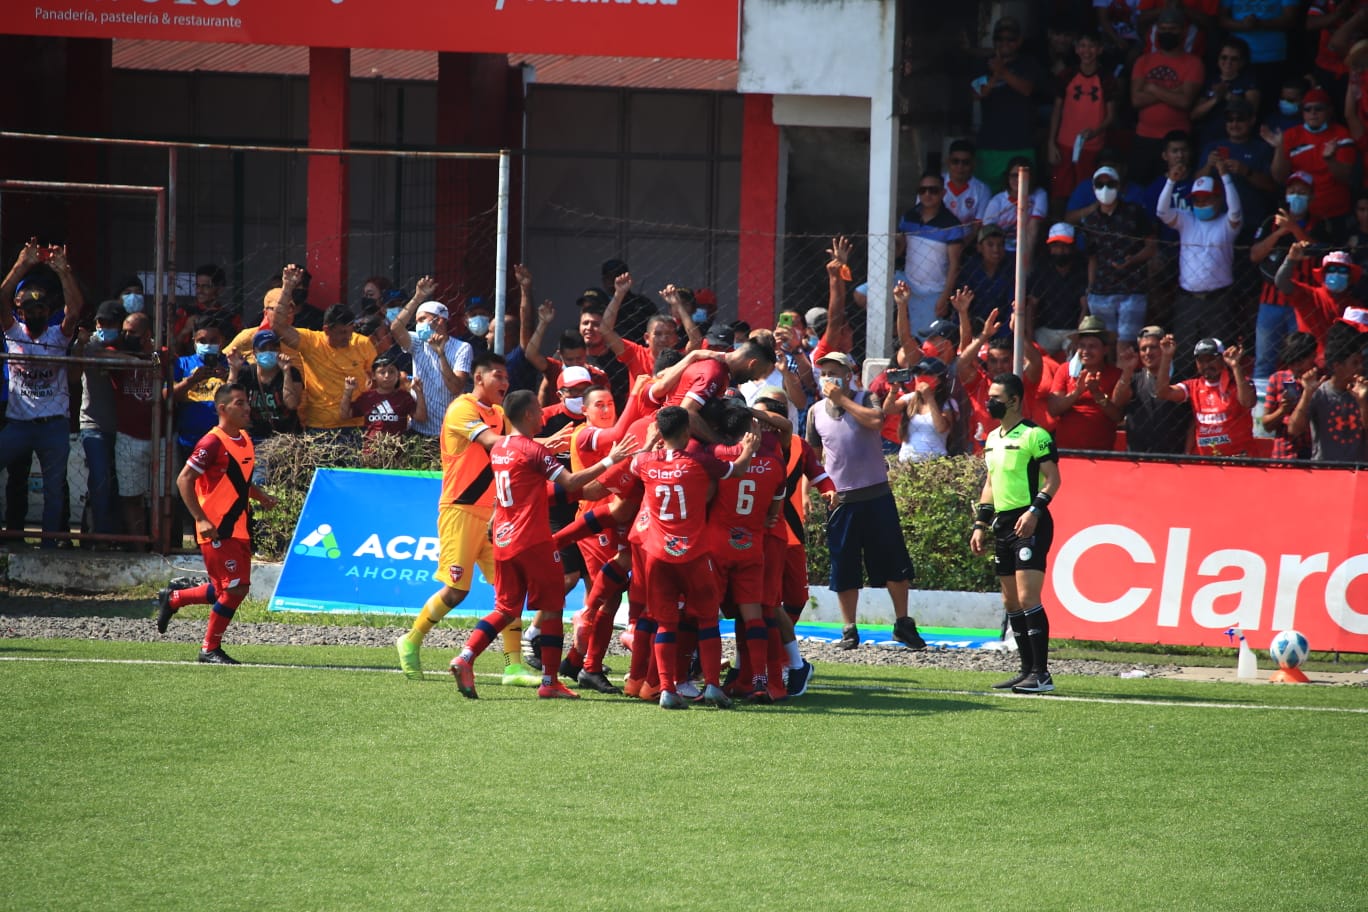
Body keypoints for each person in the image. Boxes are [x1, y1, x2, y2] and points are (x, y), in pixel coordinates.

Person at [449, 389, 637, 700]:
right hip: (533, 540)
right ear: (527, 415)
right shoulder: (532, 451)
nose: (543, 415)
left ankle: (465, 657)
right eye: (538, 411)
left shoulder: (500, 448)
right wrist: (611, 460)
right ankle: (550, 681)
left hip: (505, 540)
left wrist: (496, 518)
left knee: (506, 608)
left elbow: (506, 491)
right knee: (552, 608)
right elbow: (573, 483)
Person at [395, 352, 551, 686]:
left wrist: (549, 442)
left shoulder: (499, 413)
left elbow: (520, 444)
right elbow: (496, 444)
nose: (505, 383)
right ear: (478, 378)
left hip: (495, 514)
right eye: (498, 376)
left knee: (508, 595)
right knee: (456, 591)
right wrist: (539, 447)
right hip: (460, 511)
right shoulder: (462, 409)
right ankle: (411, 639)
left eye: (507, 378)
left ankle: (512, 667)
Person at [630, 405, 758, 709]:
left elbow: (634, 463)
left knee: (665, 623)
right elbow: (737, 469)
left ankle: (665, 689)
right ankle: (713, 685)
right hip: (694, 554)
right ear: (688, 432)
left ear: (660, 432)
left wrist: (649, 442)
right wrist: (749, 449)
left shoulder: (647, 462)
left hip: (658, 554)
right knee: (706, 619)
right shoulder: (700, 461)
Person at [805, 351, 926, 651]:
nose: (828, 378)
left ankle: (902, 623)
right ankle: (849, 628)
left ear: (849, 374)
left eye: (835, 371)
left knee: (894, 561)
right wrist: (807, 491)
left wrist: (843, 400)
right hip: (841, 500)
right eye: (824, 372)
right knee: (844, 564)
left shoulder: (866, 397)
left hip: (876, 495)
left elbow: (876, 421)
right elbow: (812, 457)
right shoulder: (815, 411)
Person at [155, 383, 277, 663]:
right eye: (239, 403)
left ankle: (174, 598)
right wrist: (200, 519)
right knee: (235, 588)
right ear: (222, 409)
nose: (247, 408)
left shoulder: (245, 438)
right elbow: (184, 479)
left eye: (246, 402)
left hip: (239, 526)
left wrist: (261, 497)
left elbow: (239, 481)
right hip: (216, 527)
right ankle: (209, 649)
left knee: (228, 588)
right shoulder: (211, 442)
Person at [970, 372, 1062, 694]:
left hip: (1030, 521)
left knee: (1027, 596)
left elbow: (1053, 479)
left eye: (996, 397)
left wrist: (1035, 511)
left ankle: (1042, 674)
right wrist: (980, 524)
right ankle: (1026, 671)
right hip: (1003, 524)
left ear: (1013, 400)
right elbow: (990, 484)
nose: (989, 401)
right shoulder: (992, 438)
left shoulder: (1035, 435)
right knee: (1010, 601)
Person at [0, 242, 83, 547]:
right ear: (19, 311)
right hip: (18, 424)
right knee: (14, 481)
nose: (35, 313)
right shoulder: (14, 333)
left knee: (53, 489)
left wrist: (63, 271)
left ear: (48, 311)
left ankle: (49, 547)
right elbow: (1, 299)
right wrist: (21, 265)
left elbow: (75, 311)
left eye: (41, 309)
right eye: (29, 309)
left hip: (53, 425)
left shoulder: (56, 336)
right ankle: (10, 538)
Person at [1250, 175, 1336, 392]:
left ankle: (1298, 402)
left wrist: (1294, 228)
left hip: (1302, 304)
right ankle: (1262, 415)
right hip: (1270, 301)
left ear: (1312, 196)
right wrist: (1281, 231)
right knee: (1264, 360)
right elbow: (1255, 255)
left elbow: (1322, 252)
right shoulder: (1270, 222)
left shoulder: (1319, 223)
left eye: (1303, 192)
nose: (1297, 196)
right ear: (1286, 194)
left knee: (1301, 358)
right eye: (1293, 190)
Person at [1158, 160, 1244, 379]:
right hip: (1188, 299)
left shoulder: (1227, 223)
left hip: (1219, 300)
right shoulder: (1187, 220)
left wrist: (1225, 177)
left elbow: (1235, 212)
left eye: (1206, 198)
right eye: (1197, 199)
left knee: (1219, 351)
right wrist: (1171, 181)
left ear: (1217, 199)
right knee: (1185, 352)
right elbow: (1162, 212)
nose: (1201, 202)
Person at [269, 268, 377, 433]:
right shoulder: (311, 342)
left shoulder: (362, 343)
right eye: (342, 332)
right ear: (327, 329)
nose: (348, 337)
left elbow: (373, 377)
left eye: (350, 330)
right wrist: (287, 287)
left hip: (357, 425)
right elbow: (278, 326)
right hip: (319, 428)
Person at [1081, 166, 1158, 344]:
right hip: (1101, 290)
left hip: (1132, 288)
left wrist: (1133, 260)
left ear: (1119, 186)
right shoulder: (1089, 220)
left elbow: (1151, 247)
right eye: (1099, 184)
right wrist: (1091, 288)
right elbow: (1092, 257)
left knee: (1126, 344)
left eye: (1110, 184)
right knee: (1105, 344)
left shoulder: (1135, 212)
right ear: (1093, 188)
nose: (1105, 188)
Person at [1129, 8, 1203, 186]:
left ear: (1183, 31)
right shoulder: (1143, 61)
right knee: (1142, 187)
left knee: (1177, 186)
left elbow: (1185, 101)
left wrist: (1153, 88)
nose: (1167, 33)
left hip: (1178, 140)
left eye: (1172, 29)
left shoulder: (1194, 63)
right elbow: (1136, 100)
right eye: (1162, 28)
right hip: (1144, 137)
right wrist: (1173, 92)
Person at [1047, 31, 1118, 206]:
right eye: (1083, 46)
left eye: (1092, 46)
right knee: (1059, 192)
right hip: (1064, 144)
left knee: (1087, 192)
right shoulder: (1066, 76)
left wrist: (1095, 132)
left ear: (1100, 49)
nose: (1087, 51)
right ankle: (1058, 230)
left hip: (1092, 147)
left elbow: (1111, 116)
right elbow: (1057, 110)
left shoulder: (1107, 79)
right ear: (1077, 49)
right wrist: (1051, 142)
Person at [1154, 335, 1258, 456]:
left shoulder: (1238, 382)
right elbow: (1163, 392)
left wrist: (1235, 366)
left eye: (1210, 359)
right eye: (1201, 361)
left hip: (1240, 460)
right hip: (1207, 462)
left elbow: (1248, 402)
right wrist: (1166, 357)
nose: (1206, 365)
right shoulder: (1193, 386)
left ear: (1222, 359)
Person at [972, 16, 1041, 191]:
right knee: (987, 198)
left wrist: (1002, 71)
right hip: (989, 145)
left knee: (1022, 199)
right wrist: (995, 73)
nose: (1005, 43)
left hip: (1020, 143)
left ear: (1019, 41)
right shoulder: (983, 64)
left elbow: (1027, 89)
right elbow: (979, 93)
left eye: (1010, 39)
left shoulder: (1028, 63)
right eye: (999, 38)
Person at [1271, 87, 1357, 226]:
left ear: (1329, 110)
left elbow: (1346, 177)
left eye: (1319, 108)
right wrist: (1279, 147)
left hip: (1335, 212)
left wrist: (1330, 160)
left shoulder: (1341, 134)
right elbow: (1279, 177)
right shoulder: (1291, 135)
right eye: (1308, 109)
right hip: (1301, 214)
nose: (1313, 113)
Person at [1286, 321, 1368, 462]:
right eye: (1354, 363)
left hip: (1358, 470)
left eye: (1361, 362)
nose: (1360, 368)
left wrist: (1362, 403)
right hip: (1325, 470)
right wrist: (1307, 394)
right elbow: (1294, 430)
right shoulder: (1320, 393)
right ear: (1337, 366)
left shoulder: (1363, 392)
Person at [108, 311, 158, 540]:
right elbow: (96, 352)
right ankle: (138, 547)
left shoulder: (161, 355)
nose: (127, 336)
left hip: (159, 436)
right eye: (124, 332)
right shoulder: (118, 352)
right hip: (128, 435)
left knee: (165, 496)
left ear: (147, 334)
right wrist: (131, 359)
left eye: (133, 332)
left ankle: (162, 546)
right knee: (131, 496)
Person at [79, 299, 127, 537]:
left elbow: (155, 357)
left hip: (124, 426)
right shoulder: (90, 344)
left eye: (110, 323)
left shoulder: (128, 343)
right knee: (99, 480)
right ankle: (98, 535)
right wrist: (137, 361)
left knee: (120, 483)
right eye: (101, 322)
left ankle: (119, 534)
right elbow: (97, 353)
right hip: (94, 423)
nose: (104, 327)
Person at [1275, 243, 1362, 364]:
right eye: (1331, 270)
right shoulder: (1308, 294)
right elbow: (1282, 282)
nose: (1336, 274)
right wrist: (1291, 260)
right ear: (1323, 274)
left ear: (1349, 277)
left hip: (1341, 365)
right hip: (1309, 361)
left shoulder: (1355, 306)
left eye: (1342, 270)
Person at [899, 174, 967, 328]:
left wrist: (944, 297)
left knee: (925, 341)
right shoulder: (908, 217)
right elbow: (898, 251)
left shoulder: (952, 223)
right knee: (861, 295)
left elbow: (955, 266)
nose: (927, 194)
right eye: (922, 190)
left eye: (933, 190)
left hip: (934, 291)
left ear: (943, 193)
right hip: (906, 282)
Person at [1047, 316, 1125, 450]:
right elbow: (1053, 410)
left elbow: (1118, 416)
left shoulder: (1116, 374)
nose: (1086, 351)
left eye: (1092, 346)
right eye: (1082, 346)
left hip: (1102, 453)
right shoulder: (1065, 370)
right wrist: (1077, 392)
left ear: (1105, 349)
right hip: (1066, 451)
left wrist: (1097, 394)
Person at [1113, 325, 1193, 454]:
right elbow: (1117, 402)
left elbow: (1192, 423)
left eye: (1153, 347)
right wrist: (1127, 370)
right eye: (1143, 349)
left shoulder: (1184, 379)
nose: (1148, 353)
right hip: (1138, 457)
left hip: (1174, 459)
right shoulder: (1134, 379)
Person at [228, 330, 303, 454]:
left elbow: (292, 404)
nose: (268, 352)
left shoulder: (292, 372)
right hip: (256, 439)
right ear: (255, 353)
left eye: (273, 348)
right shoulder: (247, 374)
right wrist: (234, 370)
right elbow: (228, 402)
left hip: (287, 440)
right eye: (263, 348)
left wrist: (286, 372)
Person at [1027, 222, 1090, 357]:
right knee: (1035, 360)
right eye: (1055, 246)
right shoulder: (1042, 270)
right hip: (1045, 330)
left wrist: (1079, 336)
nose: (1060, 251)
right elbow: (1032, 305)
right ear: (1049, 248)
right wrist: (1030, 336)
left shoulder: (1081, 271)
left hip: (1072, 330)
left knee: (1077, 360)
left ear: (1072, 247)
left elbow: (1085, 307)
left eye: (1064, 246)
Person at [1190, 37, 1260, 146]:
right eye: (1224, 57)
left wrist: (1228, 95)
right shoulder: (1210, 80)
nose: (1228, 62)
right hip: (1209, 138)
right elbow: (1194, 114)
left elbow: (1252, 109)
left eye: (1234, 59)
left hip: (1238, 139)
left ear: (1242, 62)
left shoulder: (1248, 80)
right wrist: (1215, 99)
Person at [340, 352, 425, 440]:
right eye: (382, 372)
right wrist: (348, 391)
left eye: (391, 372)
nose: (387, 376)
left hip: (397, 449)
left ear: (398, 375)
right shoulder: (367, 397)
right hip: (371, 450)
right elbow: (345, 415)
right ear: (373, 375)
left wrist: (419, 393)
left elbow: (421, 418)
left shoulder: (404, 397)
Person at [1261, 331, 1319, 460]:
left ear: (1313, 356)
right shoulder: (1278, 379)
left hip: (1316, 453)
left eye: (1300, 362)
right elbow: (1266, 424)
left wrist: (1309, 390)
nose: (1296, 367)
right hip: (1285, 454)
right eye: (1291, 362)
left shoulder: (1323, 380)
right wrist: (1282, 410)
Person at [891, 357, 957, 462]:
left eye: (926, 373)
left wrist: (930, 398)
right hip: (907, 461)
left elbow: (941, 428)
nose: (921, 377)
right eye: (918, 373)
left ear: (938, 378)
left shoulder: (947, 403)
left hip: (933, 462)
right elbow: (888, 410)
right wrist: (893, 391)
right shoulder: (910, 398)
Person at [942, 138, 992, 226]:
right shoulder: (934, 183)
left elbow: (978, 225)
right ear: (948, 161)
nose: (960, 166)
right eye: (955, 161)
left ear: (973, 164)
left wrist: (964, 240)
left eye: (966, 162)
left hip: (967, 238)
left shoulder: (982, 190)